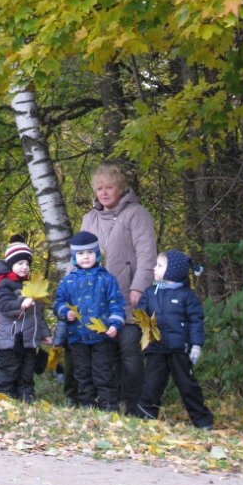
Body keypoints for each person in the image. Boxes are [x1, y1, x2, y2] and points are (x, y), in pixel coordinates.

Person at [81, 163, 157, 414]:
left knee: (131, 356)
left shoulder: (137, 214)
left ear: (120, 188)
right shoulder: (89, 219)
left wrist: (139, 287)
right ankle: (108, 407)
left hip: (129, 299)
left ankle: (134, 407)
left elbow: (147, 254)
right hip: (97, 302)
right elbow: (79, 257)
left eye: (109, 187)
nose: (103, 193)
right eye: (99, 188)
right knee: (104, 359)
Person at [136, 250, 213, 429]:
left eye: (160, 265)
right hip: (156, 348)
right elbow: (141, 313)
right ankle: (145, 416)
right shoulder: (150, 293)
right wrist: (145, 326)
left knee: (187, 385)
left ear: (173, 271)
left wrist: (196, 346)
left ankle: (202, 420)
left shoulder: (187, 296)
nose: (154, 268)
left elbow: (196, 321)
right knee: (151, 383)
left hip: (180, 349)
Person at [53, 231, 125, 411]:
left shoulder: (107, 279)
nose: (86, 257)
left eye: (90, 253)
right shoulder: (68, 281)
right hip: (78, 337)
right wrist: (65, 312)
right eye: (81, 254)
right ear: (74, 257)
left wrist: (115, 324)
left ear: (97, 255)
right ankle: (87, 406)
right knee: (82, 374)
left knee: (104, 373)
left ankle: (108, 406)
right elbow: (59, 302)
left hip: (102, 337)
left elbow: (116, 303)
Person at [0, 236, 52, 403]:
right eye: (20, 263)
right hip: (10, 341)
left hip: (30, 341)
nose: (24, 267)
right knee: (8, 373)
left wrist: (44, 333)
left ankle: (26, 402)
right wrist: (22, 303)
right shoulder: (4, 284)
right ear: (11, 264)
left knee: (26, 375)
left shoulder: (29, 286)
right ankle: (3, 400)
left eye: (27, 264)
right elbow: (4, 306)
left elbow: (37, 315)